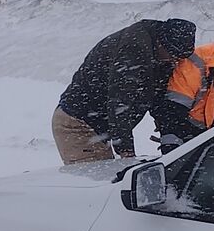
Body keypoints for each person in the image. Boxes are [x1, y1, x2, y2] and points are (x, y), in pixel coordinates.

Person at [53, 18, 197, 164]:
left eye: (180, 58)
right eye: (172, 55)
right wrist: (126, 150)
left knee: (105, 179)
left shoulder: (160, 56)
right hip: (78, 125)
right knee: (95, 183)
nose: (175, 61)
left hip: (99, 126)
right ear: (161, 43)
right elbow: (120, 103)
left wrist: (170, 133)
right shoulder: (133, 49)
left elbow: (157, 98)